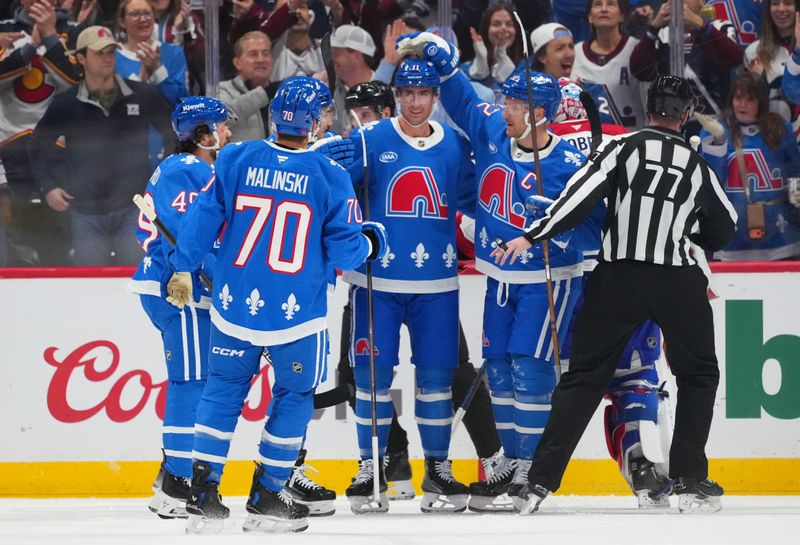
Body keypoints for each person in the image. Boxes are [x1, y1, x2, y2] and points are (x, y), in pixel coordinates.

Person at [495, 74, 737, 515]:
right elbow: (725, 227)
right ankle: (688, 480)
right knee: (699, 375)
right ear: (684, 117)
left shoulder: (620, 148)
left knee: (582, 380)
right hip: (677, 281)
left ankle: (537, 485)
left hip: (618, 278)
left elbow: (578, 199)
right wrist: (685, 229)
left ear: (649, 111)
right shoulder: (697, 165)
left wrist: (531, 236)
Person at [164, 76, 387, 534]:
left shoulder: (236, 157)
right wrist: (372, 240)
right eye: (325, 114)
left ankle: (203, 491)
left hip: (233, 307)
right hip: (296, 316)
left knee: (220, 394)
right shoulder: (330, 175)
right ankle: (268, 492)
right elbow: (345, 253)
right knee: (293, 397)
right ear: (312, 121)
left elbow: (202, 220)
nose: (329, 121)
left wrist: (183, 267)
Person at [396, 31, 603, 512]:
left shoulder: (571, 163)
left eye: (512, 103)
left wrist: (556, 221)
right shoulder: (494, 128)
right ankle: (510, 466)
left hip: (547, 280)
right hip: (499, 277)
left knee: (531, 372)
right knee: (503, 373)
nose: (502, 108)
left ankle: (529, 471)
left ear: (537, 113)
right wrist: (444, 65)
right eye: (505, 100)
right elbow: (466, 101)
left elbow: (596, 226)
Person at [341, 58, 477, 515]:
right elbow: (337, 194)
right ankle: (371, 466)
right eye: (407, 93)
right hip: (375, 281)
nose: (415, 102)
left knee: (436, 379)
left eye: (424, 94)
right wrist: (330, 162)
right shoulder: (367, 139)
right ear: (396, 96)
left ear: (436, 98)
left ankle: (437, 467)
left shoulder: (456, 146)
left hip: (436, 282)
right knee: (372, 379)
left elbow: (476, 200)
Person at [549, 79, 674, 509]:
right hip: (628, 275)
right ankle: (639, 459)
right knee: (635, 378)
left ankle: (526, 468)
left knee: (548, 383)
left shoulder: (538, 142)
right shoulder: (636, 142)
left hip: (564, 283)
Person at [127, 96, 231, 519]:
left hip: (179, 287)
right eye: (221, 126)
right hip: (177, 289)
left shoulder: (188, 169)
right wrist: (190, 273)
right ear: (203, 135)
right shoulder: (189, 170)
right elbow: (183, 236)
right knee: (191, 382)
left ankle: (172, 475)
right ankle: (177, 481)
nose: (227, 132)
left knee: (196, 381)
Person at [28, 25, 174, 266]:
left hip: (133, 207)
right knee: (87, 286)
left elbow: (173, 136)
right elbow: (37, 145)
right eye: (100, 52)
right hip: (86, 211)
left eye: (111, 51)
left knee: (137, 279)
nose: (108, 58)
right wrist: (49, 187)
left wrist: (162, 184)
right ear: (81, 58)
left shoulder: (143, 94)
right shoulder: (66, 103)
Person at [0, 0, 80, 265]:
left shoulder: (74, 30)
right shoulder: (4, 30)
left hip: (57, 147)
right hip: (9, 147)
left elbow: (76, 83)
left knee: (58, 230)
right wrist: (31, 47)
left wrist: (50, 38)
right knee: (17, 230)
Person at [697, 71, 800, 261]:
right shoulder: (715, 131)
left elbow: (795, 173)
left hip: (781, 238)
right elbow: (711, 183)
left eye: (750, 99)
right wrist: (716, 144)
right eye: (738, 98)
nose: (742, 104)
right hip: (733, 240)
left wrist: (797, 211)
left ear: (760, 102)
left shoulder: (778, 126)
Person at [630, 0, 743, 124]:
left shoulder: (720, 27)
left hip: (715, 123)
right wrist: (654, 28)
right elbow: (639, 72)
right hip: (671, 124)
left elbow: (735, 58)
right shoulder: (661, 34)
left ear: (701, 2)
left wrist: (701, 25)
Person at [571, 0, 647, 130]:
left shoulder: (638, 50)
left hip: (632, 138)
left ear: (622, 16)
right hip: (592, 142)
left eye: (610, 4)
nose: (604, 9)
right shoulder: (575, 53)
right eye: (598, 4)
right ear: (590, 17)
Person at [114, 0, 189, 105]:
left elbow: (182, 103)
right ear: (122, 21)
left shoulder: (173, 53)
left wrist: (158, 71)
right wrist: (140, 80)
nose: (143, 19)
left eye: (147, 13)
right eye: (135, 14)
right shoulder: (113, 58)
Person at [744, 0, 799, 137]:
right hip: (768, 142)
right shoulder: (754, 52)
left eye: (788, 3)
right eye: (775, 3)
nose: (781, 9)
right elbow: (745, 107)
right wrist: (757, 82)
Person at [219, 31, 276, 142]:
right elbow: (221, 117)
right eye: (253, 54)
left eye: (266, 53)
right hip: (239, 159)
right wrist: (265, 93)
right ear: (237, 63)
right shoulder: (223, 90)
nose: (261, 59)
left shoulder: (280, 94)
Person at [467, 2, 523, 90]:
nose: (503, 29)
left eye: (509, 24)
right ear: (486, 30)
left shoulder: (526, 69)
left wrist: (510, 74)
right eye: (496, 24)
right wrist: (480, 73)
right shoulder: (468, 68)